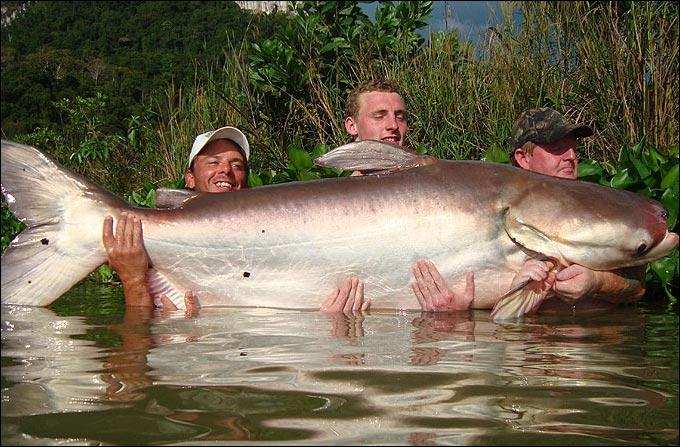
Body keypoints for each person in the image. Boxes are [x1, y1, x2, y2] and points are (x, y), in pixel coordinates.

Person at [104, 126, 370, 313]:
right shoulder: (154, 244)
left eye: (237, 165)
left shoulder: (280, 233)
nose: (226, 171)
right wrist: (132, 279)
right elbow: (138, 332)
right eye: (213, 162)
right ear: (189, 177)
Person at [420, 107, 646, 313]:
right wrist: (458, 313)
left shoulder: (596, 210)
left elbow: (638, 288)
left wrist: (596, 282)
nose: (571, 157)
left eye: (574, 148)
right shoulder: (480, 206)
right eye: (557, 148)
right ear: (523, 158)